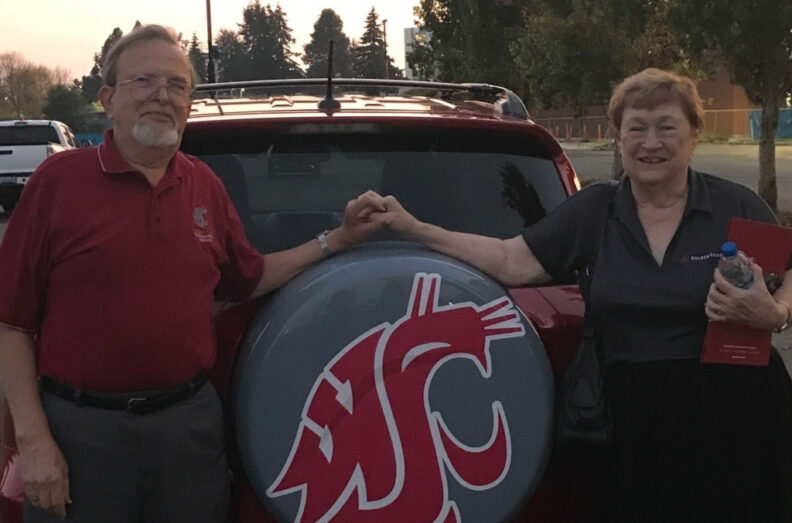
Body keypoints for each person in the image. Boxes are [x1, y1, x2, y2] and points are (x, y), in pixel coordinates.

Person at [369, 68, 792, 522]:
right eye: (637, 128)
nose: (652, 142)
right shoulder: (594, 212)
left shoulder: (737, 206)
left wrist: (777, 313)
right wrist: (413, 228)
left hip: (738, 418)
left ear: (693, 135)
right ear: (618, 139)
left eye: (667, 127)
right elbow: (511, 259)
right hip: (633, 427)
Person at [0, 25, 383, 522]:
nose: (162, 95)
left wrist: (340, 240)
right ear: (107, 99)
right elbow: (12, 324)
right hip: (79, 434)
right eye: (144, 81)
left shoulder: (205, 186)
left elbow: (251, 278)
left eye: (177, 85)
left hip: (188, 432)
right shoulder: (59, 183)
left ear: (188, 105)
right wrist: (33, 442)